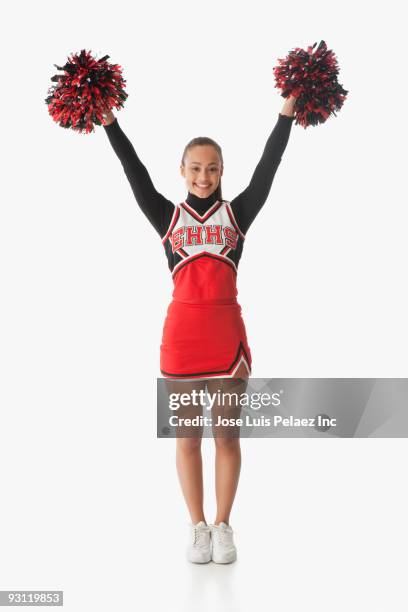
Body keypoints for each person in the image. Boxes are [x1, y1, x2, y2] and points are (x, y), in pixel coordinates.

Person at [102, 93, 296, 563]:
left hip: (228, 339)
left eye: (212, 168)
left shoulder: (237, 215)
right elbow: (134, 172)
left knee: (226, 435)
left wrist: (287, 110)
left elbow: (269, 166)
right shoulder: (168, 217)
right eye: (195, 168)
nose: (203, 177)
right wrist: (108, 120)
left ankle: (224, 525)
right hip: (182, 341)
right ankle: (197, 528)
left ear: (222, 171)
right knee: (188, 438)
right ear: (183, 170)